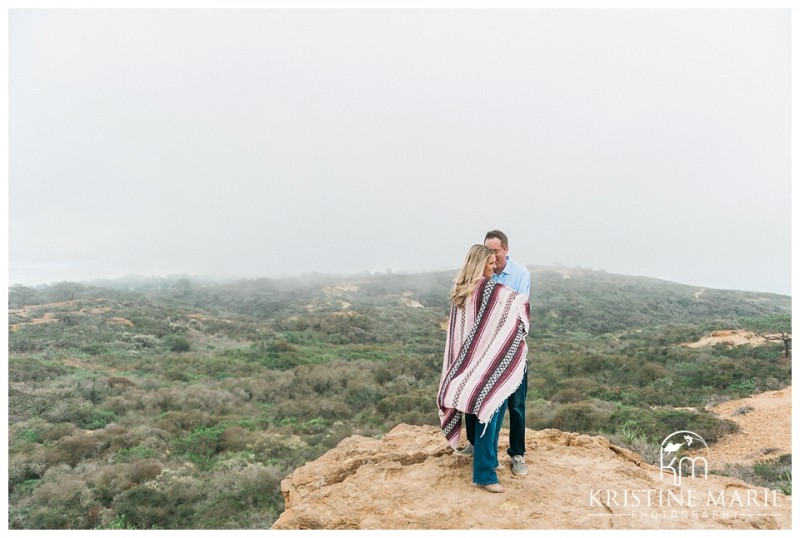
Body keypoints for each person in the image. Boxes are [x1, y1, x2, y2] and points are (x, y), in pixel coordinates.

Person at [437, 244, 530, 493]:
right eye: (490, 264)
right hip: (487, 365)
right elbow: (519, 303)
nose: (493, 268)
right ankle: (485, 475)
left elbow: (461, 334)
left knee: (481, 412)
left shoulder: (460, 291)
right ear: (480, 265)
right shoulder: (490, 289)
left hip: (467, 365)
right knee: (491, 412)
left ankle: (487, 463)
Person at [460, 230, 532, 477]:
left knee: (516, 404)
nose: (493, 256)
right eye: (488, 251)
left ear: (506, 249)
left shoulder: (520, 274)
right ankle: (475, 443)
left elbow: (520, 310)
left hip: (511, 350)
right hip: (482, 353)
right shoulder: (482, 276)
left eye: (496, 251)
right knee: (475, 399)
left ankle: (517, 453)